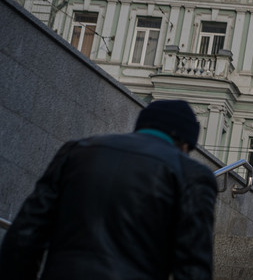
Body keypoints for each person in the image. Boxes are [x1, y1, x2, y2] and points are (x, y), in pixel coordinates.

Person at [0, 99, 218, 280]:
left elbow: (24, 235)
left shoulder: (78, 150)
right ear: (185, 143)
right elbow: (193, 266)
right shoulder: (191, 173)